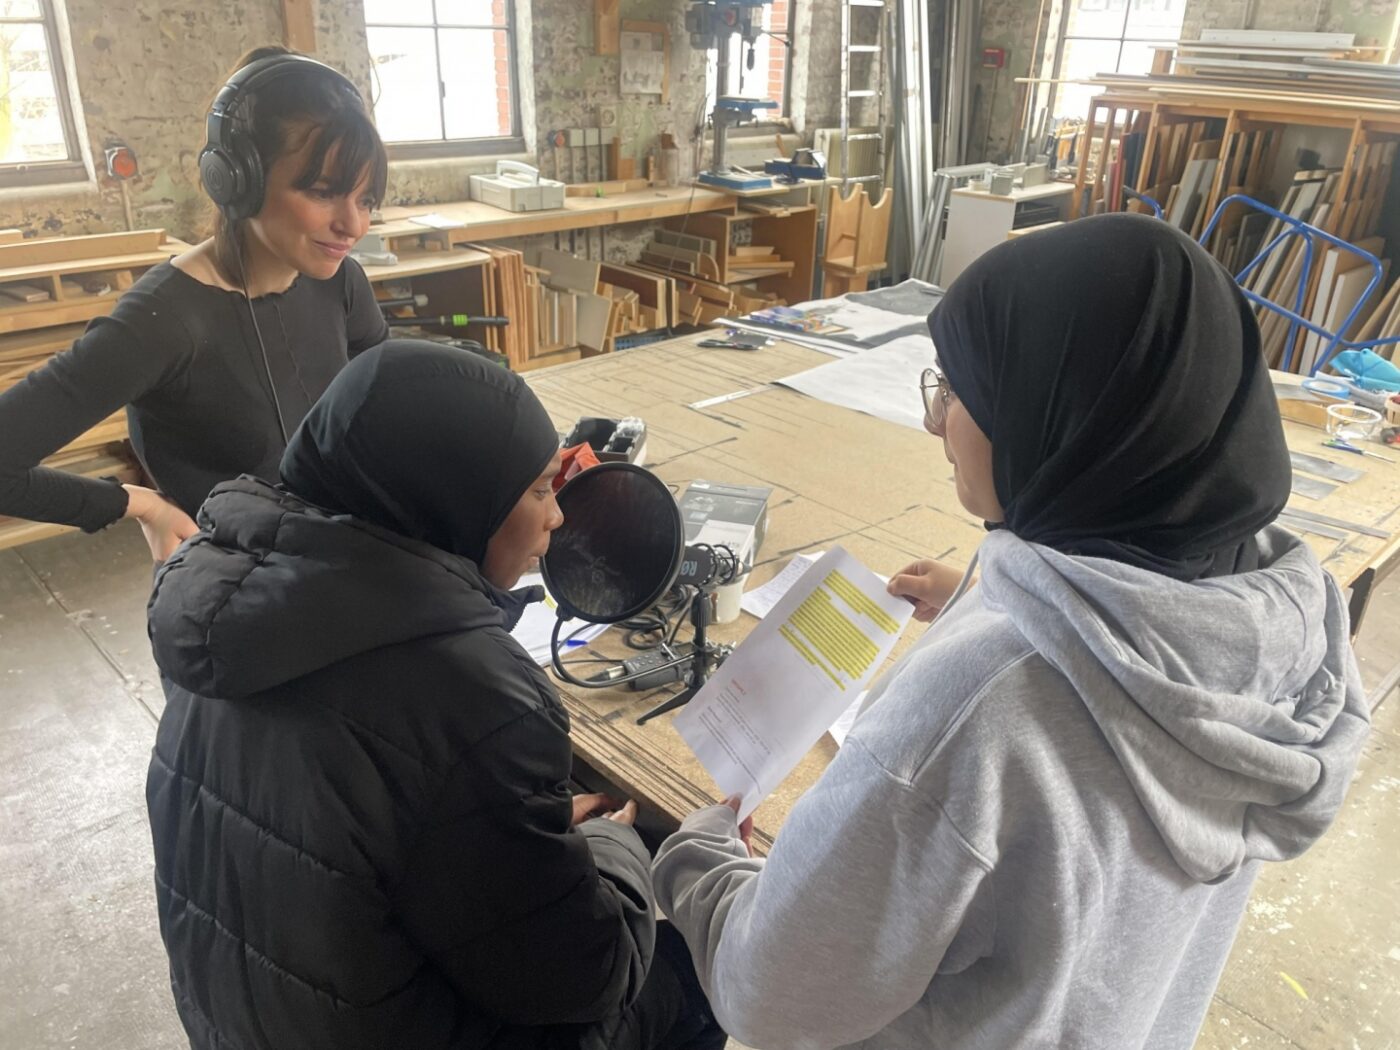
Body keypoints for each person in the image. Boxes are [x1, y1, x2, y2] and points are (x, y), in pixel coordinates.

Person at [651, 214, 1372, 1050]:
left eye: (957, 393)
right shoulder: (1291, 606)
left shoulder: (980, 710)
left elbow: (770, 992)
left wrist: (692, 853)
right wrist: (1001, 597)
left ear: (1057, 418)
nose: (934, 422)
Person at [144, 340, 725, 1050]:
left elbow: (367, 814)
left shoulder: (223, 606)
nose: (559, 518)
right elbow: (582, 977)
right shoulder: (473, 692)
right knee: (697, 963)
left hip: (245, 1023)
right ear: (456, 496)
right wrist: (618, 844)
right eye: (541, 489)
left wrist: (516, 829)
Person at [0, 46, 389, 563]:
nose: (354, 226)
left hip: (339, 559)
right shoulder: (162, 320)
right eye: (322, 192)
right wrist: (137, 505)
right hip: (236, 592)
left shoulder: (339, 281)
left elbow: (387, 397)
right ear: (237, 180)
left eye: (365, 200)